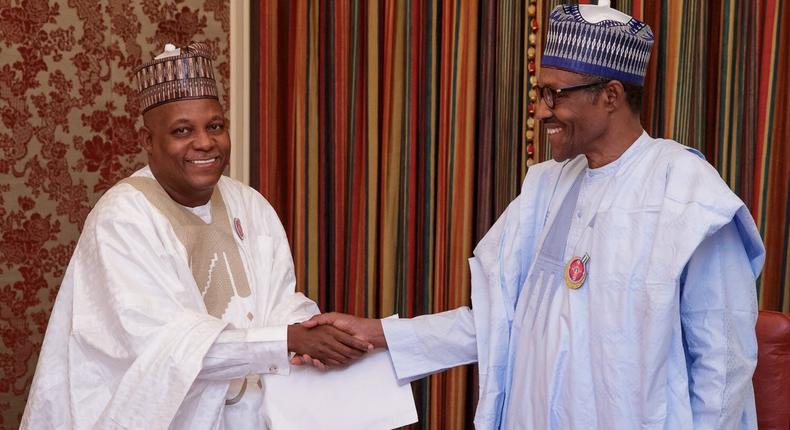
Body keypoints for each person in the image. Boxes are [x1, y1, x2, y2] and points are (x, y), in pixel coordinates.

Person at [300, 3, 766, 429]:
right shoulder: (545, 186)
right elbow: (497, 321)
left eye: (554, 94)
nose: (541, 111)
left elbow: (723, 366)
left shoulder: (688, 194)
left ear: (611, 94)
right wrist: (378, 332)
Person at [21, 42, 370, 429]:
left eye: (215, 127)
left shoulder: (248, 204)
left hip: (256, 415)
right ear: (147, 142)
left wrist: (310, 331)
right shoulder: (123, 218)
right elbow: (164, 347)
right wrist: (286, 340)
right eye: (182, 130)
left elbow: (278, 301)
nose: (204, 142)